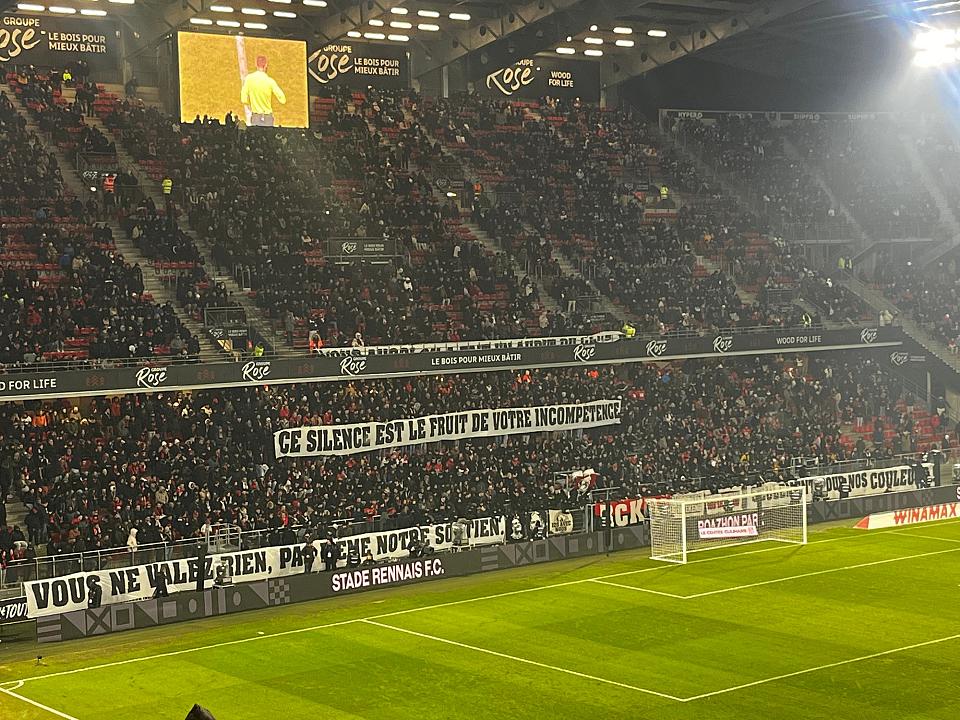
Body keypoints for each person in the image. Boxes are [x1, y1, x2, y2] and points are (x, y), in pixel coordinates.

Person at [240, 55, 286, 127]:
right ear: (266, 65)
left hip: (256, 117)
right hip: (268, 118)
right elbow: (283, 100)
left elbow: (243, 99)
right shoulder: (270, 81)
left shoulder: (249, 79)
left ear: (256, 64)